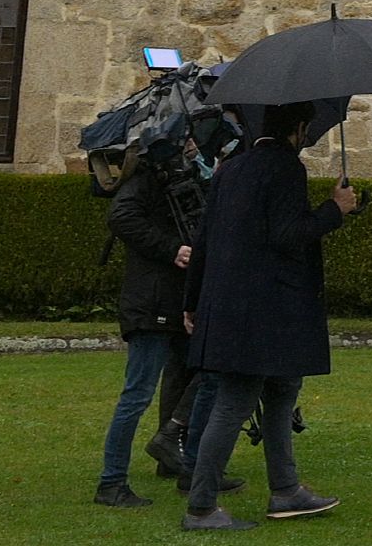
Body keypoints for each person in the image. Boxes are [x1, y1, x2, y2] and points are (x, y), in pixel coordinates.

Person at [181, 98, 361, 530]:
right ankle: (201, 507)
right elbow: (287, 235)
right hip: (263, 311)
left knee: (282, 392)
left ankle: (286, 489)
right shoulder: (284, 168)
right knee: (234, 403)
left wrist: (192, 302)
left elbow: (204, 239)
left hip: (235, 307)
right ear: (298, 128)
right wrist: (335, 210)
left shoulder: (232, 169)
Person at [97, 127, 227, 506]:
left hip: (174, 300)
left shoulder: (179, 180)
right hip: (150, 303)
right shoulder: (148, 179)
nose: (192, 143)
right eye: (186, 136)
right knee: (137, 393)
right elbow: (120, 217)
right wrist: (173, 248)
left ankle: (183, 463)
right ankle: (111, 482)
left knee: (199, 375)